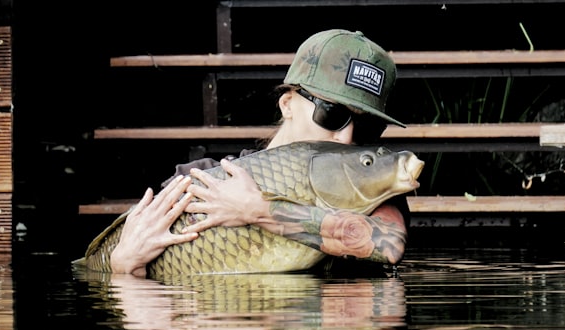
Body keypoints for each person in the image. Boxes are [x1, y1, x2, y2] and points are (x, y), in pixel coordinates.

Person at [109, 29, 410, 278]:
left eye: (368, 127)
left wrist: (259, 211)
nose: (346, 137)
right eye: (332, 114)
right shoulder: (199, 178)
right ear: (288, 103)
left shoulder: (366, 185)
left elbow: (389, 245)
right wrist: (122, 266)